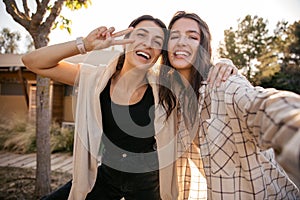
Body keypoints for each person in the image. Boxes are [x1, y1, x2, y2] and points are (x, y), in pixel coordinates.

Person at [22, 14, 237, 200]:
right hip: (105, 177)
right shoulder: (95, 79)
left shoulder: (166, 88)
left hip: (148, 184)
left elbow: (200, 77)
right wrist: (85, 45)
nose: (148, 44)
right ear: (126, 40)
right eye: (141, 35)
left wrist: (225, 63)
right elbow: (32, 61)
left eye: (157, 41)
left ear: (159, 54)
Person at [159, 11, 300, 199]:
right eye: (174, 36)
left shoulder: (223, 83)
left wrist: (293, 125)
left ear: (203, 47)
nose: (181, 42)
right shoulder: (175, 100)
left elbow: (259, 104)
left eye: (192, 37)